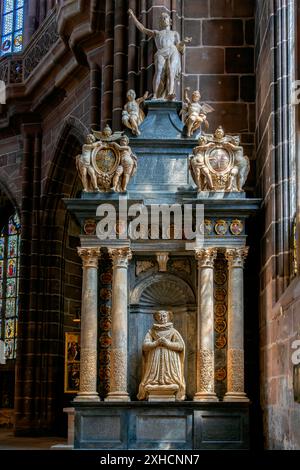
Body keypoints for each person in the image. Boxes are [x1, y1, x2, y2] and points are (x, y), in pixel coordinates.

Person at [128, 9, 191, 100]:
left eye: (165, 17)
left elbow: (178, 46)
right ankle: (155, 95)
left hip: (173, 50)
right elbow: (142, 28)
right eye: (161, 18)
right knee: (158, 72)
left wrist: (184, 42)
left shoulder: (174, 33)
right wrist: (132, 15)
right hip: (161, 51)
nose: (163, 19)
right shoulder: (157, 33)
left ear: (170, 21)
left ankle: (170, 93)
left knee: (171, 70)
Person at [137, 310, 186, 401]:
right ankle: (154, 382)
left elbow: (181, 346)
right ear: (156, 318)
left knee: (172, 380)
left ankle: (170, 382)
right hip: (154, 359)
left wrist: (168, 343)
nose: (162, 318)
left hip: (170, 360)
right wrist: (156, 343)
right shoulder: (151, 332)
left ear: (168, 317)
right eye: (159, 316)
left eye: (164, 316)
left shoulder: (173, 331)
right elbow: (145, 346)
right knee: (151, 380)